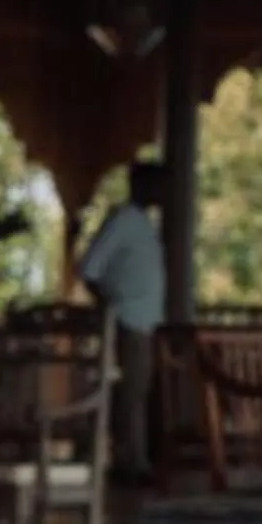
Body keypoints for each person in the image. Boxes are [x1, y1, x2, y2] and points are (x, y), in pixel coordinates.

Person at [76, 161, 167, 481]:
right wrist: (109, 308)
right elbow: (89, 269)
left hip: (144, 321)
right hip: (127, 319)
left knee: (137, 392)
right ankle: (129, 463)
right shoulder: (124, 220)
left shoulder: (144, 223)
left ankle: (135, 459)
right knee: (129, 393)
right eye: (157, 184)